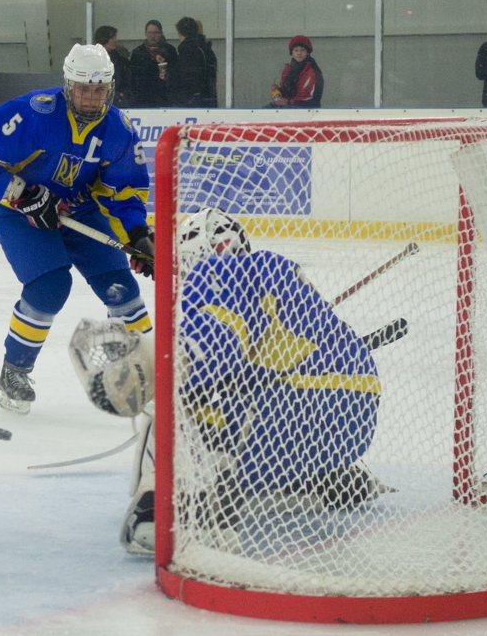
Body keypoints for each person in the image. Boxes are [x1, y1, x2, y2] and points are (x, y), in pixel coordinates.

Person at [73, 208, 392, 558]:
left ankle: (160, 511)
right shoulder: (274, 269)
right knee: (234, 403)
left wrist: (160, 366)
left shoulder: (213, 273)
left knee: (175, 403)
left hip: (296, 412)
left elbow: (213, 347)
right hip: (355, 422)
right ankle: (320, 483)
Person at [0, 44, 154, 413]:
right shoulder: (32, 114)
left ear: (110, 89)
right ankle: (15, 369)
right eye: (83, 89)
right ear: (68, 86)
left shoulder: (118, 130)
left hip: (80, 209)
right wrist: (24, 195)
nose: (91, 97)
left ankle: (145, 371)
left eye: (99, 90)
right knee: (50, 286)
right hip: (19, 210)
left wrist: (136, 234)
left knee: (122, 289)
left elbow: (123, 192)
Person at [127, 20, 178, 107]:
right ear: (146, 34)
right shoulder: (138, 52)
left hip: (165, 95)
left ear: (161, 33)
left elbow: (176, 73)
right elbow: (133, 75)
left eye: (156, 33)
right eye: (149, 33)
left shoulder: (170, 51)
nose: (152, 36)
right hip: (143, 97)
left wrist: (164, 65)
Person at [173, 17, 218, 107]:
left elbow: (185, 79)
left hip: (191, 102)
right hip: (208, 99)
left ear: (180, 34)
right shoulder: (207, 50)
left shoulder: (187, 52)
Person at [273, 35, 324, 108]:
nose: (299, 53)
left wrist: (288, 102)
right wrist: (277, 92)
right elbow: (286, 94)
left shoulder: (314, 72)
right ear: (292, 53)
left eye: (302, 50)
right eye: (296, 50)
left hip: (305, 111)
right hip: (286, 109)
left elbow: (314, 101)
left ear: (308, 52)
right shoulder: (287, 70)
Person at [93, 26, 132, 103]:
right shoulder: (93, 60)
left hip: (118, 101)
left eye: (115, 37)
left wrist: (121, 95)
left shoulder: (121, 61)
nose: (115, 40)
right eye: (112, 37)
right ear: (103, 39)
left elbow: (127, 83)